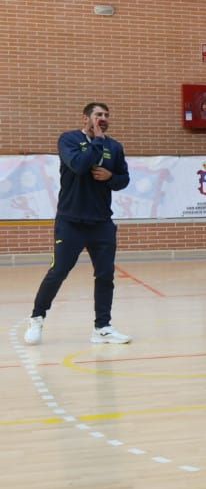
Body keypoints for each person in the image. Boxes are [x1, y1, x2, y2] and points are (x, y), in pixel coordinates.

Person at [25, 102, 132, 346]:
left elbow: (124, 180)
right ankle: (37, 318)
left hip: (101, 223)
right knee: (59, 271)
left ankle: (102, 327)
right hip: (70, 221)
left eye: (106, 115)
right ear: (86, 118)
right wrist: (96, 141)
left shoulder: (114, 147)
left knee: (105, 275)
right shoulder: (69, 140)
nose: (103, 118)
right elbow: (80, 165)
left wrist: (111, 177)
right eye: (98, 114)